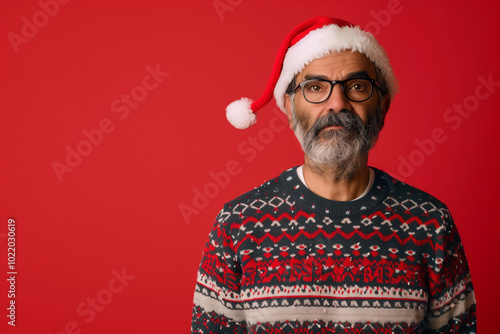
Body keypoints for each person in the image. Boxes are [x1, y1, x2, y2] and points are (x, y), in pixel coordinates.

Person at [191, 16, 476, 333]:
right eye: (315, 87)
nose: (337, 103)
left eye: (356, 86)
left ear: (382, 106)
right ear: (289, 107)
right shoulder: (238, 223)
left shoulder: (431, 223)